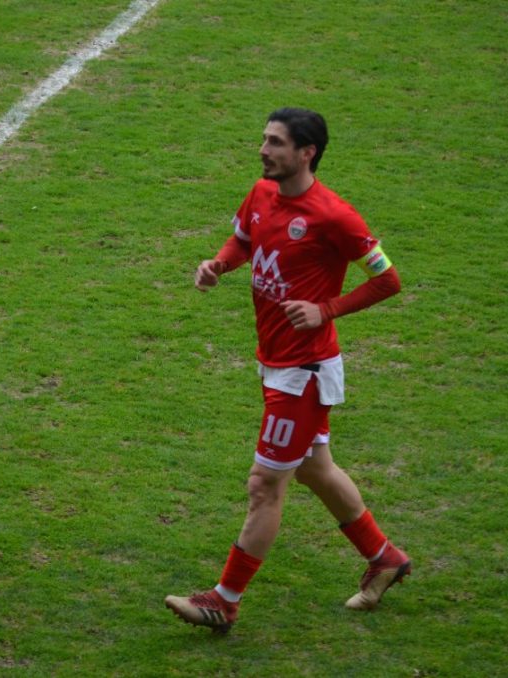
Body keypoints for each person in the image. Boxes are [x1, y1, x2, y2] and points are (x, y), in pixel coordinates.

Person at [164, 108, 410, 634]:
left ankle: (224, 601)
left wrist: (327, 310)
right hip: (276, 361)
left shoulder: (335, 217)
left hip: (304, 371)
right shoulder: (261, 193)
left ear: (307, 152)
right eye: (264, 139)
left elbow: (388, 280)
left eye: (276, 142)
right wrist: (218, 265)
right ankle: (385, 558)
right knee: (315, 468)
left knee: (264, 485)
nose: (263, 149)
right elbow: (244, 242)